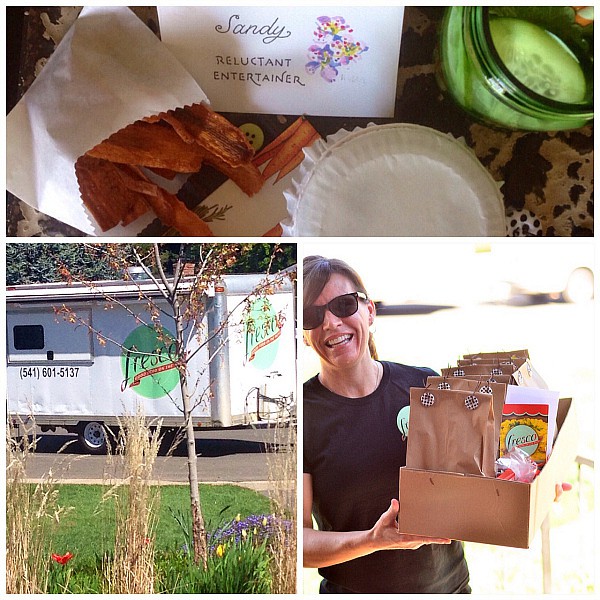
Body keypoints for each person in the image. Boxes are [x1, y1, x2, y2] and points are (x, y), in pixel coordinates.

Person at [302, 255, 570, 594]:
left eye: (343, 305)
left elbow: (478, 478)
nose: (330, 323)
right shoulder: (303, 414)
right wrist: (373, 540)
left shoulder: (425, 387)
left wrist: (535, 486)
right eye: (312, 315)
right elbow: (300, 541)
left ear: (369, 311)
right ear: (305, 334)